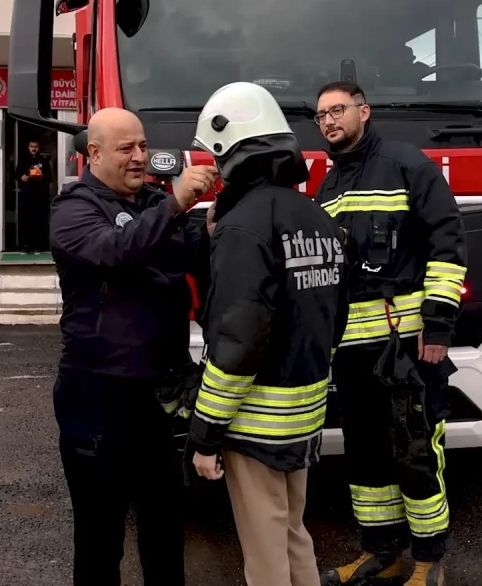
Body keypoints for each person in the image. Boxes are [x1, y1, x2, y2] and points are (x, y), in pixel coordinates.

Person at [184, 83, 349, 586]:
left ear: (231, 152)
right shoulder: (317, 218)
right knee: (293, 531)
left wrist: (205, 436)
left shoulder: (245, 228)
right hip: (305, 414)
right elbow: (336, 317)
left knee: (265, 555)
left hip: (254, 424)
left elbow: (237, 344)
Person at [49, 106, 215, 586]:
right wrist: (175, 206)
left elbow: (192, 253)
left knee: (165, 528)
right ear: (95, 154)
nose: (140, 156)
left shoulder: (152, 202)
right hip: (97, 395)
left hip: (159, 394)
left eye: (142, 145)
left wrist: (212, 227)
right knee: (100, 537)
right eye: (126, 148)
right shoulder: (72, 208)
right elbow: (114, 250)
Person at [313, 82, 467, 586]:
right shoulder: (329, 187)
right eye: (321, 115)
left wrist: (438, 326)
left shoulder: (407, 165)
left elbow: (448, 243)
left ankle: (428, 560)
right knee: (365, 455)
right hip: (351, 351)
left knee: (415, 450)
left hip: (407, 345)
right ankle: (380, 552)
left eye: (338, 110)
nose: (329, 120)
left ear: (364, 111)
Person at [14, 138, 52, 253]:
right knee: (26, 220)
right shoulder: (23, 160)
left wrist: (42, 177)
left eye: (36, 147)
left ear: (39, 148)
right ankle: (26, 245)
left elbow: (50, 177)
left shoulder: (44, 161)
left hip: (40, 196)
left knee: (40, 220)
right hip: (27, 195)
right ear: (28, 148)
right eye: (32, 147)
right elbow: (16, 175)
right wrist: (22, 178)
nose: (33, 149)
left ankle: (39, 245)